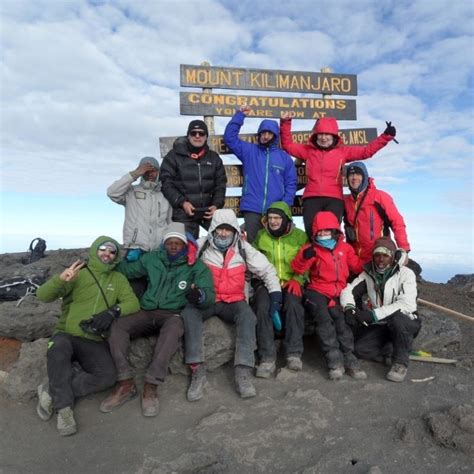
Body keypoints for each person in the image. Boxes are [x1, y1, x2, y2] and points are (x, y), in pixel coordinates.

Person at [100, 223, 214, 417]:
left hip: (171, 313)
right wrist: (102, 262)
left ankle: (151, 385)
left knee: (174, 330)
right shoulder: (152, 259)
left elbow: (208, 293)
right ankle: (125, 383)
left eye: (178, 242)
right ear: (164, 243)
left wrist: (200, 295)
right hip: (147, 309)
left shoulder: (194, 265)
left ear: (185, 244)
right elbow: (126, 271)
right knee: (117, 326)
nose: (174, 246)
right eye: (170, 242)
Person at [35, 237, 140, 436]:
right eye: (103, 249)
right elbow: (42, 296)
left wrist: (112, 311)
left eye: (112, 252)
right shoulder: (78, 274)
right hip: (67, 334)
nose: (107, 254)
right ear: (95, 250)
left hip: (93, 339)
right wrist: (60, 279)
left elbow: (132, 303)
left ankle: (50, 390)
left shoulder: (117, 279)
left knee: (107, 376)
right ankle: (64, 409)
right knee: (58, 347)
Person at [181, 209, 281, 400]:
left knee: (248, 317)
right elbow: (182, 264)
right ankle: (197, 371)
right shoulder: (201, 246)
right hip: (208, 300)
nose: (224, 233)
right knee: (189, 314)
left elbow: (267, 270)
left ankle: (243, 372)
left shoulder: (243, 249)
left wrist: (275, 296)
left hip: (234, 301)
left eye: (228, 229)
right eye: (220, 229)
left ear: (235, 230)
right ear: (213, 230)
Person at [280, 113, 396, 237]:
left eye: (327, 134)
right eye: (321, 134)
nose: (324, 138)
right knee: (311, 234)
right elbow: (287, 145)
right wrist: (286, 122)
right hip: (311, 198)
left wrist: (385, 137)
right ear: (316, 135)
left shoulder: (343, 152)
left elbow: (366, 152)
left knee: (332, 235)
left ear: (334, 135)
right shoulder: (307, 151)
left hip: (334, 199)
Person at [291, 211, 366, 381]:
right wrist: (303, 258)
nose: (323, 235)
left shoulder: (345, 249)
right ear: (315, 233)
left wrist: (375, 265)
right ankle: (334, 361)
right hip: (317, 291)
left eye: (327, 231)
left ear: (334, 231)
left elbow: (357, 266)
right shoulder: (312, 249)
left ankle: (350, 359)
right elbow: (297, 269)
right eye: (320, 232)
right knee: (324, 319)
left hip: (339, 292)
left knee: (341, 321)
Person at [340, 236, 421, 383]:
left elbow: (407, 304)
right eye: (377, 255)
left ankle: (400, 363)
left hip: (406, 320)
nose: (381, 259)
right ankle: (392, 348)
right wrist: (349, 308)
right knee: (360, 349)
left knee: (398, 320)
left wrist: (373, 315)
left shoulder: (405, 274)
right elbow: (348, 290)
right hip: (383, 323)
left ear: (392, 256)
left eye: (385, 255)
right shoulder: (368, 274)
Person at [223, 106, 297, 242]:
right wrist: (240, 116)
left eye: (269, 133)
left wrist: (284, 205)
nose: (266, 136)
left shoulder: (284, 157)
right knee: (253, 247)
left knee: (274, 247)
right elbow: (230, 138)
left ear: (275, 136)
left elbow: (291, 183)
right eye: (263, 133)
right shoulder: (249, 151)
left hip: (275, 211)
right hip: (252, 208)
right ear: (259, 134)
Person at [252, 201, 308, 377]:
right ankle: (267, 357)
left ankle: (294, 353)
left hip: (292, 280)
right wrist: (259, 280)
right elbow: (252, 259)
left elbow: (308, 261)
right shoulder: (261, 236)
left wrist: (299, 279)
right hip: (267, 282)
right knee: (262, 307)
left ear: (286, 219)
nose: (273, 221)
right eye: (270, 218)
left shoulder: (300, 236)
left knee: (293, 305)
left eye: (277, 218)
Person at [107, 156, 172, 296]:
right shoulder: (131, 192)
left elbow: (169, 222)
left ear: (159, 172)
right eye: (145, 169)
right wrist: (134, 174)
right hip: (135, 250)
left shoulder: (165, 195)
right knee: (134, 291)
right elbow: (112, 192)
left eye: (153, 170)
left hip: (157, 252)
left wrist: (165, 247)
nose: (149, 173)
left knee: (156, 290)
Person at [160, 120, 227, 239]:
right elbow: (166, 183)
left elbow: (220, 184)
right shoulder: (173, 156)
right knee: (186, 248)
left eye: (201, 133)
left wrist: (216, 205)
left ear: (206, 136)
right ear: (188, 135)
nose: (197, 136)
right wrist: (182, 202)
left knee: (224, 239)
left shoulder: (214, 157)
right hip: (183, 212)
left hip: (208, 211)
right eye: (193, 133)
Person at [344, 161, 410, 264]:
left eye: (358, 174)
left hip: (379, 258)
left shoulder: (380, 197)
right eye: (351, 175)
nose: (354, 178)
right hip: (355, 259)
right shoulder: (346, 201)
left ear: (365, 176)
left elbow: (397, 222)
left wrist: (403, 249)